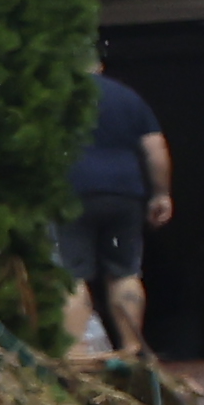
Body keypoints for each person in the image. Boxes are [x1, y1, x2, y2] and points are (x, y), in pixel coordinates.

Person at [64, 54, 173, 356]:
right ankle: (131, 348)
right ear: (99, 66)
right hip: (124, 195)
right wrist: (161, 193)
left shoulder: (58, 96)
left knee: (71, 276)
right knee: (124, 273)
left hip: (73, 192)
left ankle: (76, 355)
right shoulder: (128, 98)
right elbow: (155, 149)